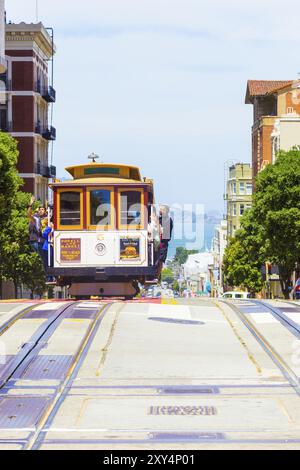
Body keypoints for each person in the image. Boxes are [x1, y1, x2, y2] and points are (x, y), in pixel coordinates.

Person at [157, 205, 173, 278]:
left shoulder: (168, 220)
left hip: (163, 243)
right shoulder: (159, 219)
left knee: (161, 260)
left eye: (162, 210)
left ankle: (157, 276)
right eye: (160, 209)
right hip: (157, 242)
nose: (160, 211)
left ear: (166, 211)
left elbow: (165, 233)